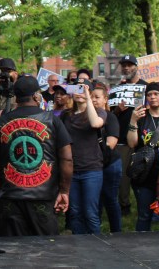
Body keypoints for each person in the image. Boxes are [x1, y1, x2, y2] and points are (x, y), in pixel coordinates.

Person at [0, 76, 72, 236]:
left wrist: (2, 185)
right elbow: (67, 158)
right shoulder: (52, 120)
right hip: (43, 196)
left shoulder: (1, 121)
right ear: (36, 96)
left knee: (13, 249)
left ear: (16, 97)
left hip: (11, 197)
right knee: (46, 248)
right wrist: (64, 190)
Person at [127, 82, 159, 231]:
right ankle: (141, 248)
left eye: (156, 94)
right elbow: (132, 144)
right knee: (144, 215)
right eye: (149, 95)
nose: (152, 97)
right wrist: (133, 121)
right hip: (144, 175)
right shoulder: (141, 118)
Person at [61, 82, 106, 234]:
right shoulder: (66, 115)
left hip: (91, 168)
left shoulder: (99, 112)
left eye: (83, 89)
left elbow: (95, 123)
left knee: (90, 213)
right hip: (71, 169)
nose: (79, 92)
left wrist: (88, 98)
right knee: (75, 212)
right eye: (76, 89)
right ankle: (78, 246)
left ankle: (97, 247)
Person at [114, 54, 148, 216]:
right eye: (124, 65)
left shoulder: (147, 88)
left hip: (143, 138)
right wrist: (117, 110)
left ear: (136, 67)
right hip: (123, 139)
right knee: (124, 175)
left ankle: (149, 205)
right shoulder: (117, 88)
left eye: (130, 65)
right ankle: (124, 205)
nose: (126, 68)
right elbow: (111, 115)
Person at [92, 84, 122, 233]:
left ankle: (116, 231)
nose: (93, 100)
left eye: (97, 97)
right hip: (93, 165)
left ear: (105, 99)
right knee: (94, 200)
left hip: (110, 163)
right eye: (91, 97)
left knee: (110, 198)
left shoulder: (111, 117)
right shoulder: (85, 118)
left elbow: (111, 143)